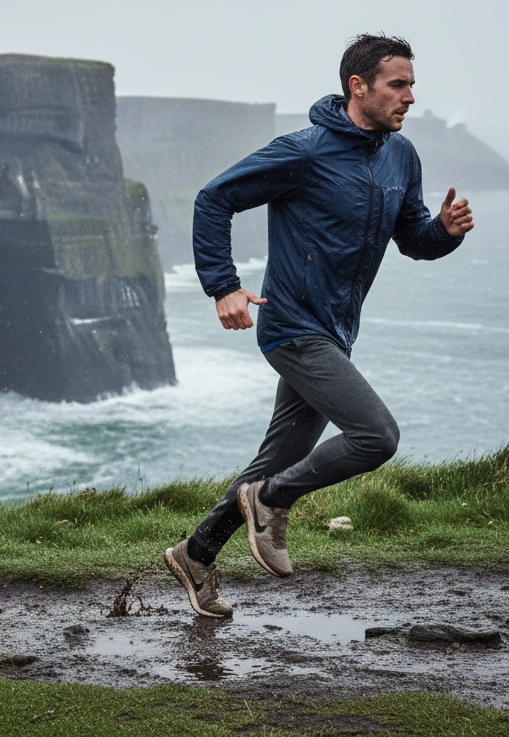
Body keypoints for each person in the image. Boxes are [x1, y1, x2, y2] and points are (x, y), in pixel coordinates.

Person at [164, 34, 475, 617]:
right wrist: (223, 287)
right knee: (376, 437)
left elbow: (412, 238)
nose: (410, 97)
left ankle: (196, 554)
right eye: (398, 85)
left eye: (412, 86)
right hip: (292, 328)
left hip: (336, 332)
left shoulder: (399, 157)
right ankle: (273, 502)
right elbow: (214, 198)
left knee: (272, 461)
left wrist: (445, 233)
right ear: (359, 87)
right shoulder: (304, 152)